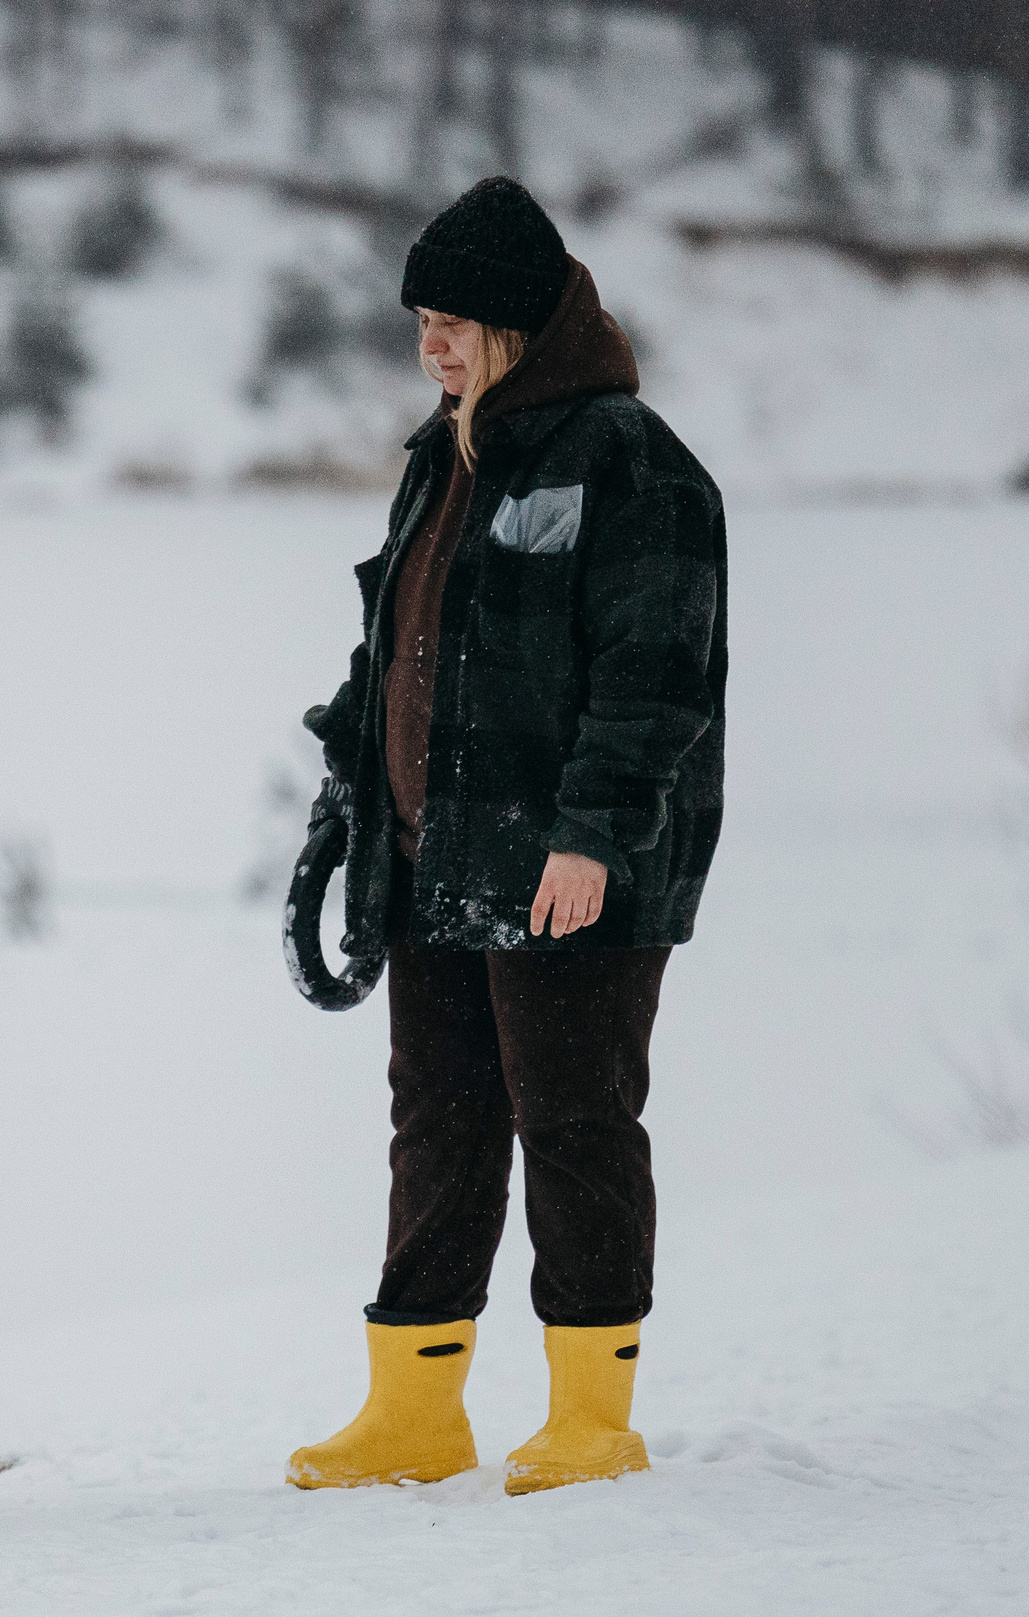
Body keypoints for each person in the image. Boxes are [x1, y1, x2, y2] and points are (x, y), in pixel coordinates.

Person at [285, 177, 727, 1496]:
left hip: (572, 869)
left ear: (519, 327)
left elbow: (656, 675)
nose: (432, 345)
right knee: (437, 1122)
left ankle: (592, 1418)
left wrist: (592, 835)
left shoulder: (629, 461)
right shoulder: (445, 454)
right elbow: (399, 643)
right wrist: (350, 786)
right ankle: (415, 1412)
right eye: (421, 322)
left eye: (455, 324)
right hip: (440, 858)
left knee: (575, 1122)